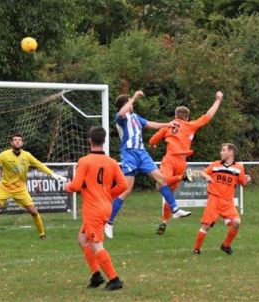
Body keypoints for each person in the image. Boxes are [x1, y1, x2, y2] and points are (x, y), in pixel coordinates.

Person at [105, 90, 191, 239]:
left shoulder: (136, 117)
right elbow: (121, 113)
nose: (131, 105)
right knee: (126, 189)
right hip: (129, 154)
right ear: (125, 105)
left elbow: (150, 124)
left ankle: (175, 209)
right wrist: (134, 98)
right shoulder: (121, 118)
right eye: (128, 103)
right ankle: (109, 222)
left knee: (161, 179)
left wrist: (167, 124)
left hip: (142, 154)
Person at [0, 133, 68, 239]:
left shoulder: (27, 155)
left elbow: (39, 165)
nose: (17, 141)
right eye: (15, 140)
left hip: (20, 189)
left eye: (19, 140)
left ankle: (42, 235)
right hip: (5, 187)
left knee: (33, 212)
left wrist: (53, 174)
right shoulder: (4, 155)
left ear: (22, 143)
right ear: (11, 143)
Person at [150, 91, 223, 235]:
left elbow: (153, 140)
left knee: (161, 184)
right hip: (182, 162)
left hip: (170, 159)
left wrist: (153, 145)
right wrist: (218, 100)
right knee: (167, 191)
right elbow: (208, 116)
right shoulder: (190, 125)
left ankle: (167, 217)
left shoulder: (167, 126)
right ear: (187, 117)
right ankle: (164, 222)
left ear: (175, 116)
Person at [66, 127, 128, 290]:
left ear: (89, 140)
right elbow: (123, 185)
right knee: (82, 239)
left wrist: (68, 186)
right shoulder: (112, 162)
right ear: (104, 141)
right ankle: (96, 276)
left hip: (93, 208)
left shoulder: (84, 161)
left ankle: (114, 279)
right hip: (105, 206)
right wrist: (108, 194)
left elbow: (76, 185)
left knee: (96, 244)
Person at [192, 143, 250, 255]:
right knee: (206, 226)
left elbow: (243, 183)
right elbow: (202, 172)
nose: (221, 152)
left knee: (237, 222)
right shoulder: (215, 164)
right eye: (221, 150)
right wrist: (207, 176)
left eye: (223, 150)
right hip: (214, 200)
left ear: (231, 152)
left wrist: (248, 179)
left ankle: (226, 245)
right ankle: (196, 249)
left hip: (228, 202)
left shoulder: (239, 167)